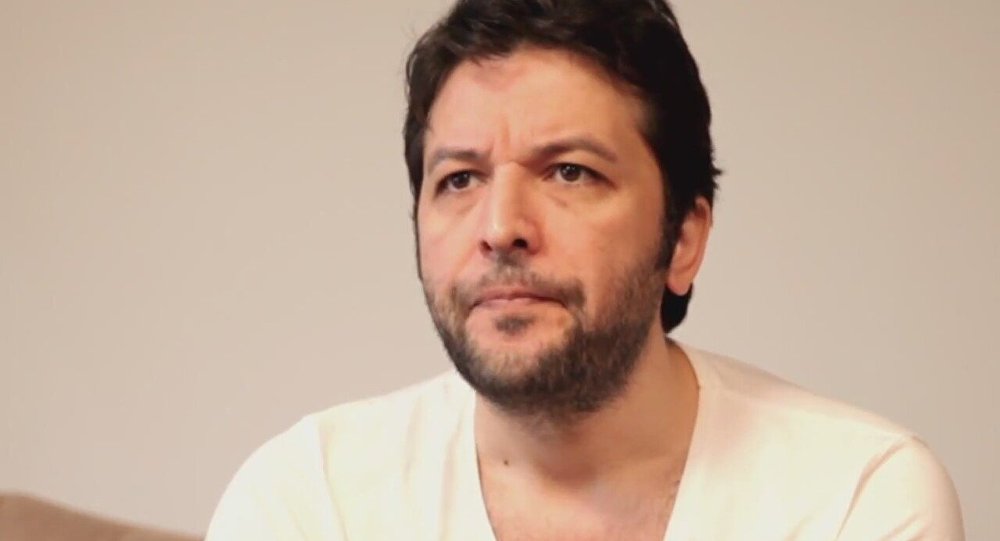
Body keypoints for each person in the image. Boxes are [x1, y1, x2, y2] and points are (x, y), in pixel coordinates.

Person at [206, 0, 964, 539]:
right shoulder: (310, 502)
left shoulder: (855, 498)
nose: (500, 228)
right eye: (459, 179)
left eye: (569, 172)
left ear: (684, 238)